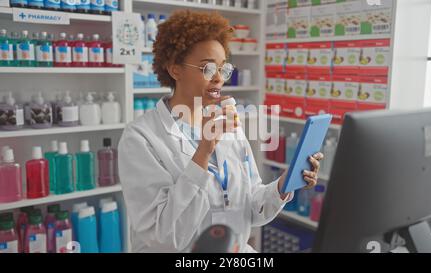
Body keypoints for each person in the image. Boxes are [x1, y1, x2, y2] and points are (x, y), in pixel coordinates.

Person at [118, 10, 324, 253]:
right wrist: (204, 152)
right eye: (207, 69)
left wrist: (284, 184)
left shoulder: (227, 125)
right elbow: (162, 236)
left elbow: (251, 207)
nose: (218, 78)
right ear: (175, 70)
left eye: (223, 69)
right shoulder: (140, 138)